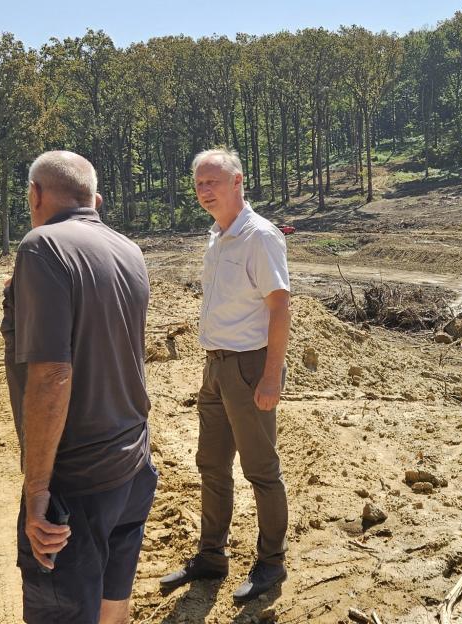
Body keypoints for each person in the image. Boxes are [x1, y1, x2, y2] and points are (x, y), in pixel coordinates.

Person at [5, 150, 157, 624]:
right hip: (132, 464)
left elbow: (52, 375)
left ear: (35, 195)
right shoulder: (127, 249)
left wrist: (38, 492)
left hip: (76, 482)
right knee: (114, 601)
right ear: (96, 199)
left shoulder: (42, 247)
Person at [158, 148, 291, 603]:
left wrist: (271, 378)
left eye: (213, 182)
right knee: (211, 465)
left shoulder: (260, 237)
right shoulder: (217, 235)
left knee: (261, 470)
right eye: (198, 184)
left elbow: (279, 308)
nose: (204, 191)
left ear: (239, 182)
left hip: (249, 367)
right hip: (215, 366)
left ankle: (272, 562)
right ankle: (211, 557)